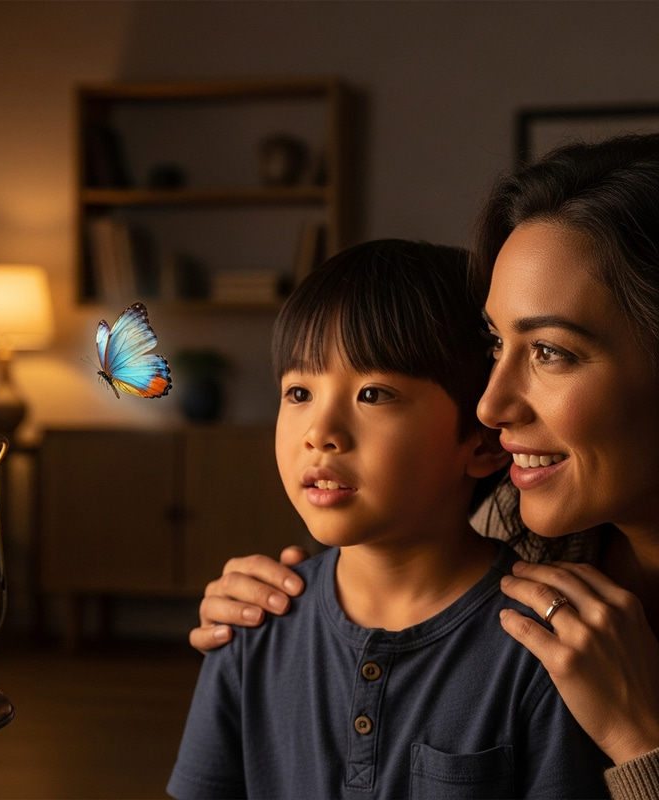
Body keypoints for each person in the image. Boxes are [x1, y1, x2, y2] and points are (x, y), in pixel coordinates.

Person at [190, 134, 659, 800]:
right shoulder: (545, 547)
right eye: (496, 344)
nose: (491, 404)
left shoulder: (531, 650)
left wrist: (641, 743)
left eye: (552, 352)